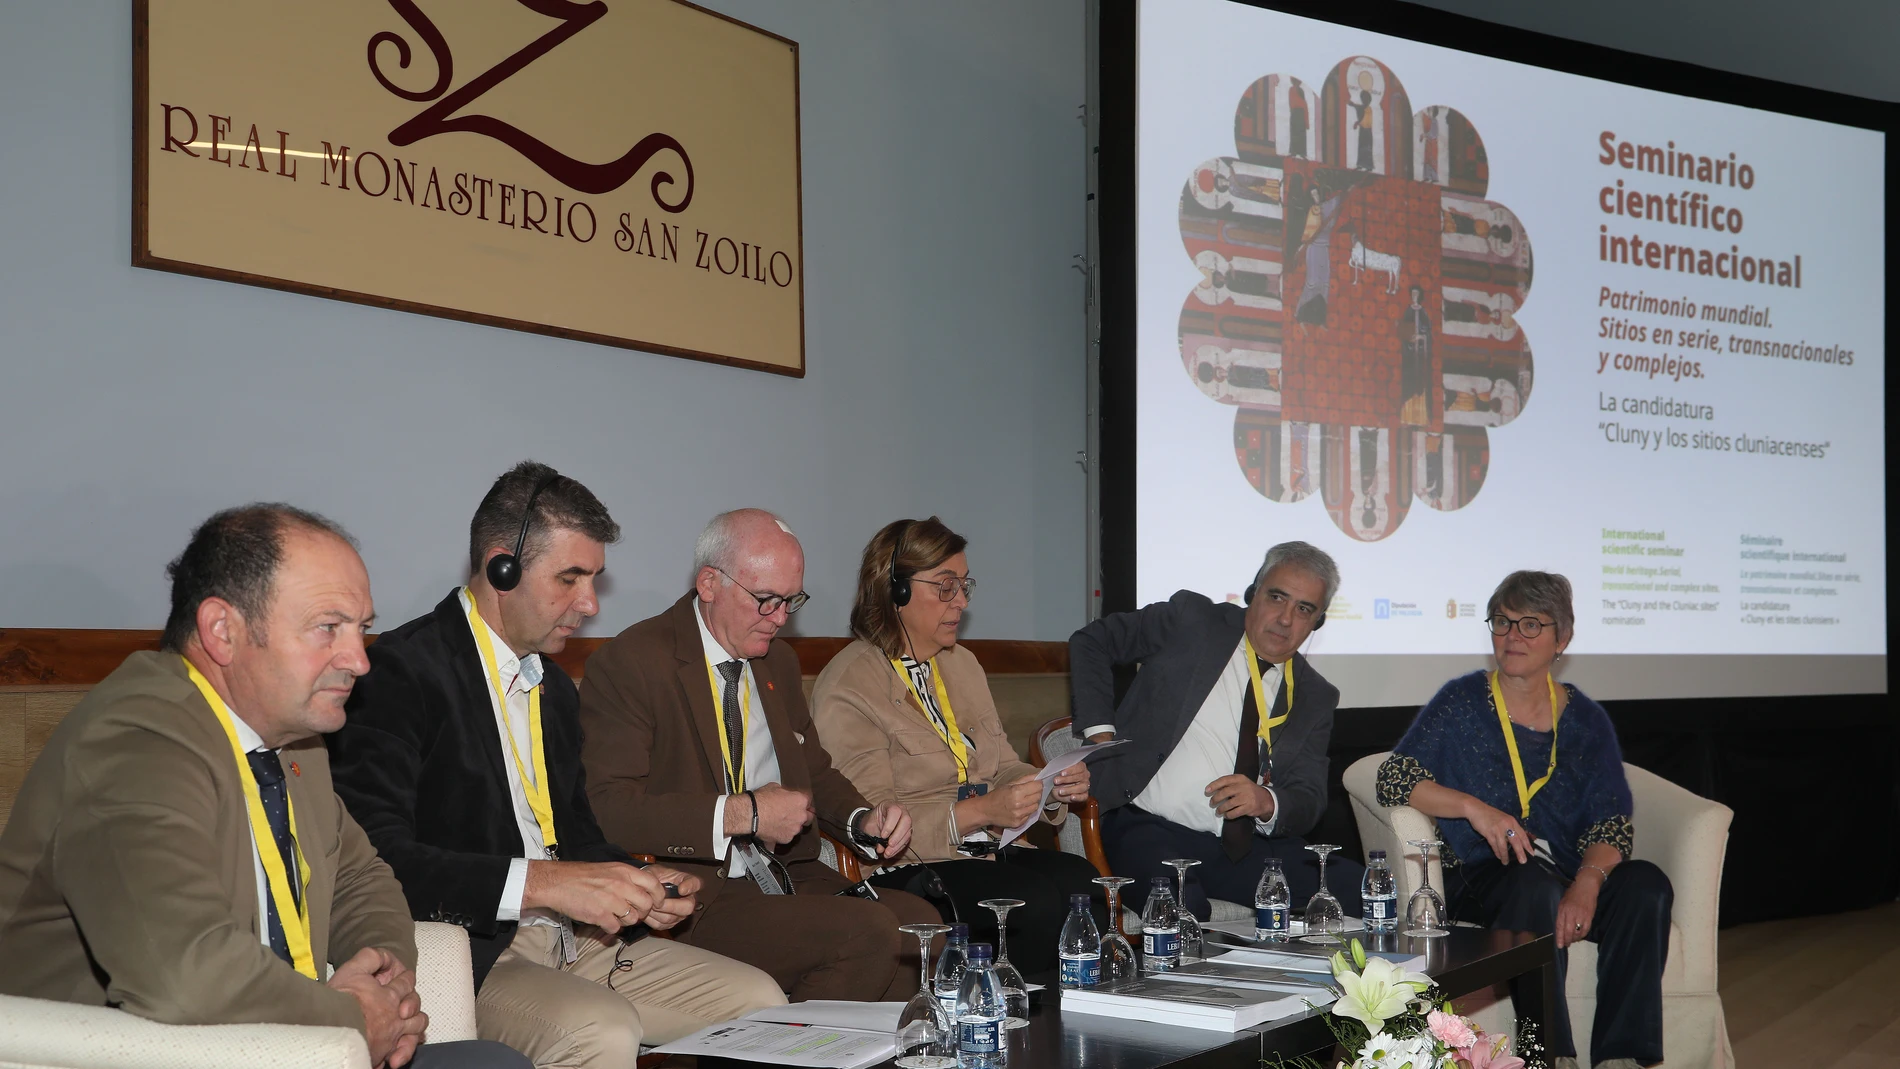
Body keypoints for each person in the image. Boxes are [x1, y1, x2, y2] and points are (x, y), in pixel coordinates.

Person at [0, 505, 525, 1069]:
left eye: (361, 629)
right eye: (328, 627)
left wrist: (382, 978)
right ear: (223, 631)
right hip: (154, 1054)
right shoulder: (135, 741)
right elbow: (182, 972)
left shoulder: (292, 740)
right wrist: (352, 1018)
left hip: (292, 1045)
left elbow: (362, 879)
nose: (358, 661)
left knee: (493, 1061)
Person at [329, 464, 782, 1069]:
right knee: (601, 1028)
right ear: (502, 568)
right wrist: (547, 883)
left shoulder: (556, 691)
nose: (590, 604)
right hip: (473, 952)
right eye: (570, 578)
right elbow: (380, 858)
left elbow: (578, 837)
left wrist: (640, 885)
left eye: (593, 579)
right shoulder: (400, 675)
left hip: (578, 940)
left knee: (761, 1004)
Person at [577, 509, 943, 1002]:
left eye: (792, 600)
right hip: (698, 892)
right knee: (867, 933)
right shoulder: (634, 662)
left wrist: (860, 820)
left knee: (922, 928)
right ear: (709, 583)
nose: (781, 618)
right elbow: (607, 807)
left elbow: (812, 768)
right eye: (766, 600)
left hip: (785, 871)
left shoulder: (778, 661)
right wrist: (743, 813)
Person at [1378, 571, 1669, 1069]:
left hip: (1564, 873)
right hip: (1484, 873)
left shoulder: (1585, 720)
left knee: (1647, 885)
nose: (1513, 636)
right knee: (1534, 886)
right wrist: (1474, 807)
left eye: (1531, 624)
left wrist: (1588, 883)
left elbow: (1611, 824)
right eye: (1503, 622)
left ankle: (1622, 1057)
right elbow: (1396, 777)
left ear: (1563, 638)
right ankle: (1549, 1054)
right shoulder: (1463, 701)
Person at [810, 517, 1102, 974]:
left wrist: (1046, 784)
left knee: (1084, 884)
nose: (961, 602)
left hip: (983, 851)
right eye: (946, 587)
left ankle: (1074, 1023)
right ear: (895, 591)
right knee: (1036, 904)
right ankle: (1014, 1029)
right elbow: (876, 825)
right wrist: (982, 812)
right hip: (909, 868)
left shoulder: (961, 664)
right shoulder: (848, 686)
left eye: (964, 586)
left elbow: (1001, 765)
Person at [1069, 540, 1364, 920]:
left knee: (1360, 888)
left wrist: (1266, 802)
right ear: (1253, 592)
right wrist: (1100, 735)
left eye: (1304, 609)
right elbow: (1093, 641)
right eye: (1277, 597)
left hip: (1243, 849)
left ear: (1317, 621)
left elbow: (1309, 797)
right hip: (1149, 828)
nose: (1286, 619)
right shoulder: (1193, 622)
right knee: (1181, 909)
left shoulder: (1316, 695)